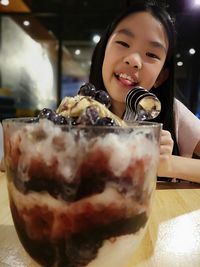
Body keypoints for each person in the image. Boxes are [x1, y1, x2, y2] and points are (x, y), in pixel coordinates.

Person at [89, 0, 200, 181]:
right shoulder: (77, 112)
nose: (133, 60)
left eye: (151, 54)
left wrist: (168, 163)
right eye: (124, 43)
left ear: (160, 77)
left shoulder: (171, 111)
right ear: (103, 51)